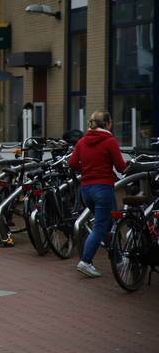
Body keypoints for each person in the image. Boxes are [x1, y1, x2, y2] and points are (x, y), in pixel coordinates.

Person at [69, 111, 126, 278]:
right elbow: (121, 167)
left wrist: (86, 171)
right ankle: (85, 261)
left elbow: (72, 163)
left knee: (107, 224)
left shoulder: (82, 141)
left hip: (86, 190)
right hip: (103, 188)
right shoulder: (109, 141)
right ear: (107, 123)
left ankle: (117, 258)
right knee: (101, 226)